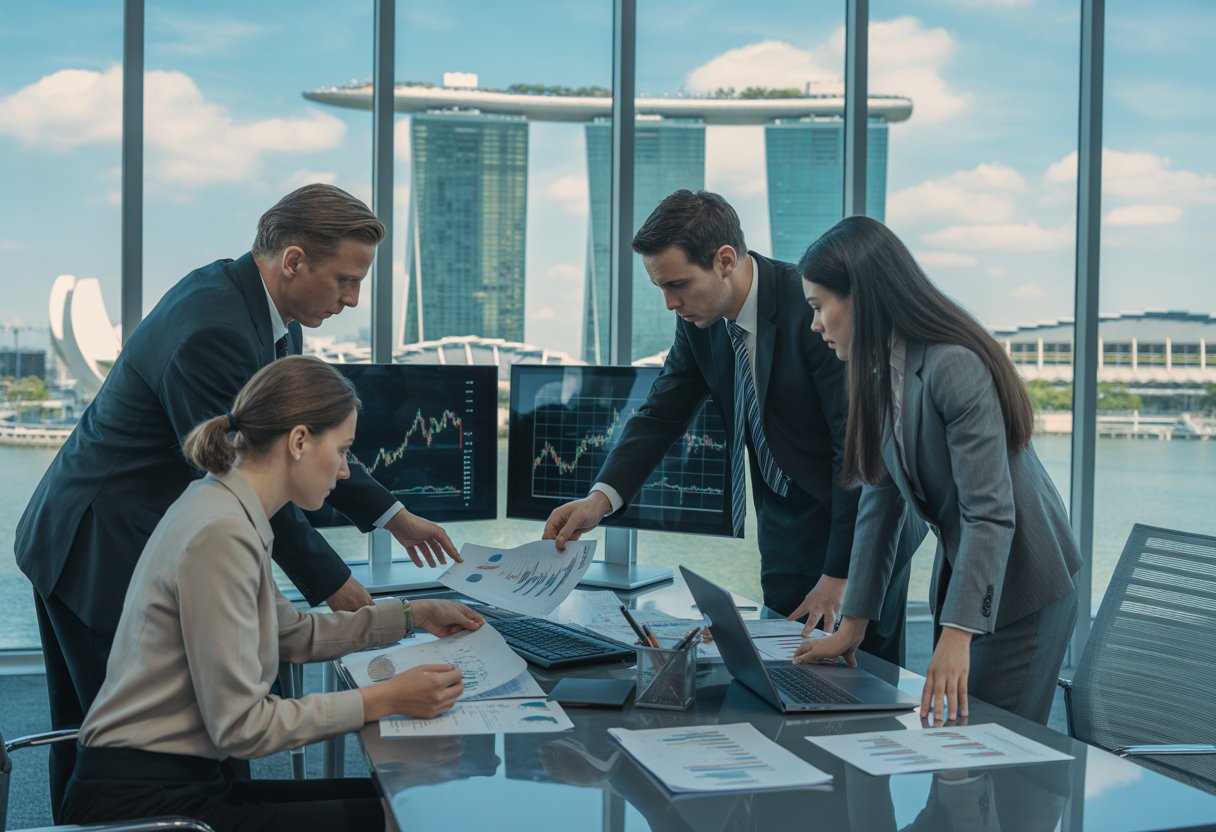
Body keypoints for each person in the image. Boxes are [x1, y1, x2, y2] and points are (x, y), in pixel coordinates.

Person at [15, 183, 461, 815]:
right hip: (101, 540)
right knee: (123, 740)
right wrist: (333, 581)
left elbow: (298, 437)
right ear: (295, 260)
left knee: (153, 732)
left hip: (136, 531)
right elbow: (263, 465)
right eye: (345, 279)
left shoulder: (259, 309)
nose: (353, 298)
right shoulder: (214, 330)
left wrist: (391, 517)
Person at [59, 356, 484, 832]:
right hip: (145, 805)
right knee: (412, 815)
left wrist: (413, 613)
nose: (344, 471)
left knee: (404, 796)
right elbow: (242, 725)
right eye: (343, 450)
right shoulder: (221, 531)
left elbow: (289, 633)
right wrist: (387, 698)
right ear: (299, 441)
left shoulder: (223, 504)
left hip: (179, 782)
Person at [543, 190, 925, 664]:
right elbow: (661, 414)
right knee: (785, 674)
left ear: (724, 260)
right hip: (784, 526)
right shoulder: (698, 323)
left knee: (864, 680)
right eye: (661, 288)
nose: (669, 303)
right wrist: (598, 501)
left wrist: (841, 574)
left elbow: (855, 448)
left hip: (863, 529)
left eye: (678, 284)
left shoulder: (810, 304)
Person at [793, 216, 1082, 725]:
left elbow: (989, 513)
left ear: (861, 296)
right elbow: (879, 505)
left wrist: (955, 634)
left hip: (1024, 585)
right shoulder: (881, 370)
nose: (814, 324)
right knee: (961, 752)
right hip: (976, 582)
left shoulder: (953, 365)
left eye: (819, 306)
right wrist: (852, 626)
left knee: (990, 757)